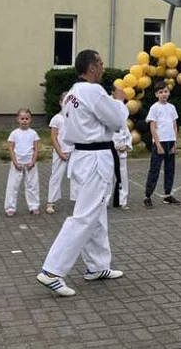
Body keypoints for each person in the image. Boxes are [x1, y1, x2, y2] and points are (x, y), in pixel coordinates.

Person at [37, 49, 128, 297]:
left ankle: (97, 266)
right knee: (85, 216)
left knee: (96, 213)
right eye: (100, 64)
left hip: (81, 157)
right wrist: (119, 101)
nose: (103, 68)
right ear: (91, 67)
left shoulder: (72, 93)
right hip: (95, 159)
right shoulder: (93, 91)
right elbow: (117, 122)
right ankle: (52, 271)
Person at [144, 81, 180, 208]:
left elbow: (174, 126)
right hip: (160, 142)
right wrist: (158, 144)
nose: (163, 94)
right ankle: (147, 195)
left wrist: (174, 143)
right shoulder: (154, 108)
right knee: (155, 169)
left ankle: (167, 195)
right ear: (156, 94)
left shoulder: (172, 108)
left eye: (165, 91)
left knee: (170, 169)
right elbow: (153, 128)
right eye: (160, 92)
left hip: (170, 141)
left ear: (168, 93)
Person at [6, 108, 41, 216]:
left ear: (30, 119)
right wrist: (15, 162)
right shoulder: (14, 134)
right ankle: (10, 207)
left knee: (32, 185)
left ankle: (34, 206)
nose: (24, 121)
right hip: (18, 163)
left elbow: (36, 149)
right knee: (13, 186)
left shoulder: (33, 133)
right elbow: (11, 149)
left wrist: (33, 161)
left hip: (30, 163)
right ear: (18, 119)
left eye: (27, 118)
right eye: (22, 118)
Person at [45, 92, 73, 214]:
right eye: (65, 101)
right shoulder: (56, 119)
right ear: (60, 102)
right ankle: (50, 202)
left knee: (78, 177)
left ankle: (79, 201)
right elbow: (54, 138)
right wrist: (60, 152)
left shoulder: (74, 118)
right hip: (60, 152)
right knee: (56, 176)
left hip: (74, 152)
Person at [112, 123, 132, 209]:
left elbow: (128, 136)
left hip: (121, 152)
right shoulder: (106, 120)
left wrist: (126, 146)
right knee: (108, 176)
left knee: (123, 176)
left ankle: (122, 201)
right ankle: (104, 200)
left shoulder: (122, 123)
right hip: (109, 152)